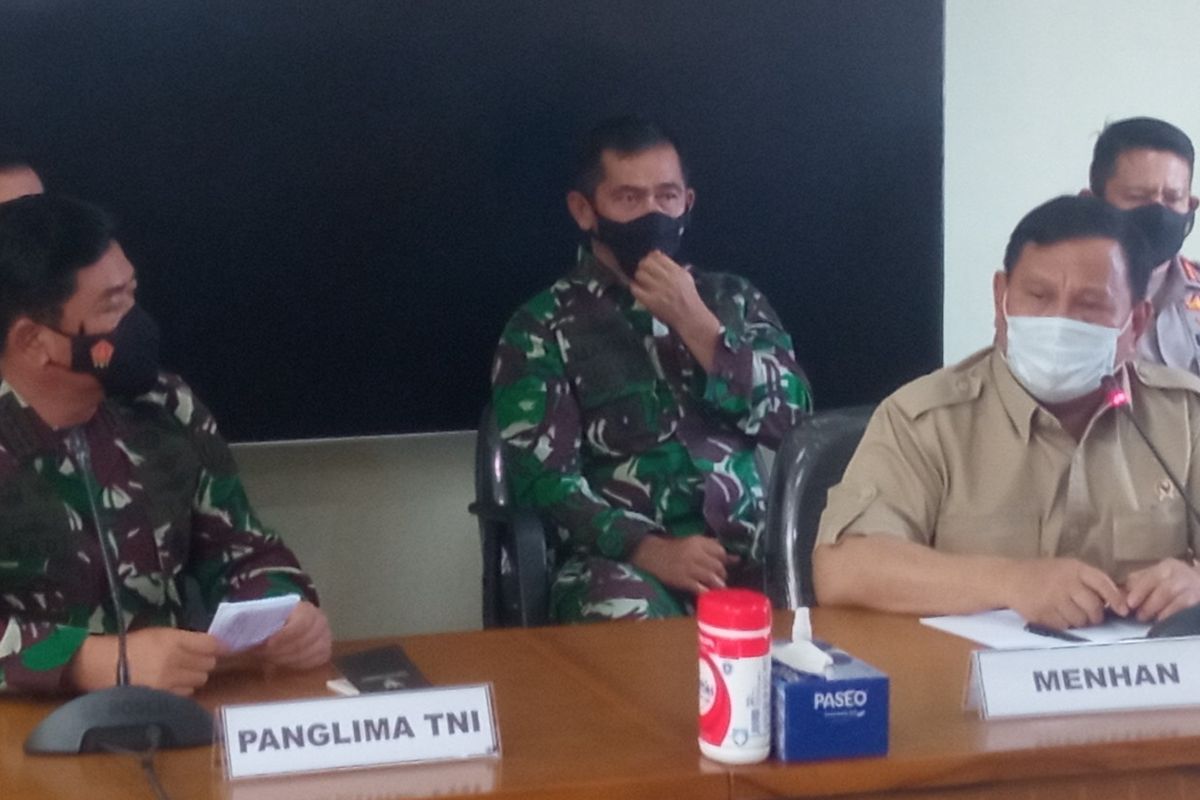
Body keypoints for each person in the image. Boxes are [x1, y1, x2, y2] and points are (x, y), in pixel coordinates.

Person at [813, 195, 1200, 630]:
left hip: (1142, 689)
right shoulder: (925, 418)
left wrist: (1194, 583)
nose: (1059, 322)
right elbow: (844, 568)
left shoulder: (1186, 416)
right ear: (1001, 298)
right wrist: (1010, 582)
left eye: (1089, 305)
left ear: (1137, 322)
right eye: (1038, 296)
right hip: (966, 687)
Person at [0, 194, 331, 695]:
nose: (137, 322)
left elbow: (247, 551)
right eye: (111, 305)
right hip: (26, 736)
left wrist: (280, 612)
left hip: (175, 718)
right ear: (33, 342)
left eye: (131, 293)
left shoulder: (164, 406)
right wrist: (85, 662)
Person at [491, 116, 811, 623]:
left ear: (687, 202)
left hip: (755, 555)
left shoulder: (735, 300)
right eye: (628, 199)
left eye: (666, 196)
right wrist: (648, 548)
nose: (652, 213)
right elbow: (543, 481)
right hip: (625, 565)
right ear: (585, 209)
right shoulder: (541, 326)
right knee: (620, 607)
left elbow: (795, 422)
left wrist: (700, 328)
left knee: (844, 592)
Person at [1087, 117, 1200, 372]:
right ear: (1092, 202)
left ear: (1191, 206)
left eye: (1172, 198)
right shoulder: (1058, 295)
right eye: (1138, 197)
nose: (1158, 211)